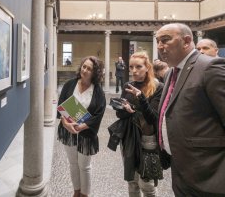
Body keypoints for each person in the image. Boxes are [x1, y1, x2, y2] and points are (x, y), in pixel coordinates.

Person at [155, 23, 225, 196]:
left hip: (211, 177)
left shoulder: (212, 68)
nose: (160, 46)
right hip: (183, 171)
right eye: (158, 41)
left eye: (166, 40)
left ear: (186, 41)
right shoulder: (172, 72)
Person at [114, 52, 164, 197]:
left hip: (148, 139)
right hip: (129, 137)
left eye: (138, 67)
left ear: (147, 67)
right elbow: (120, 114)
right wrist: (125, 110)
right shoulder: (127, 85)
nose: (134, 71)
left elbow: (153, 118)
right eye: (131, 67)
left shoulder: (158, 87)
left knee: (146, 184)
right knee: (132, 181)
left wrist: (141, 98)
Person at [57, 56, 106, 197]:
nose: (85, 70)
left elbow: (99, 114)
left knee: (84, 167)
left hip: (86, 134)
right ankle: (76, 192)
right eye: (84, 66)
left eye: (89, 68)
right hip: (68, 132)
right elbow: (61, 105)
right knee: (73, 164)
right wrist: (65, 123)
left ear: (94, 73)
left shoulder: (98, 91)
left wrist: (82, 126)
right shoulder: (69, 84)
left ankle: (85, 194)